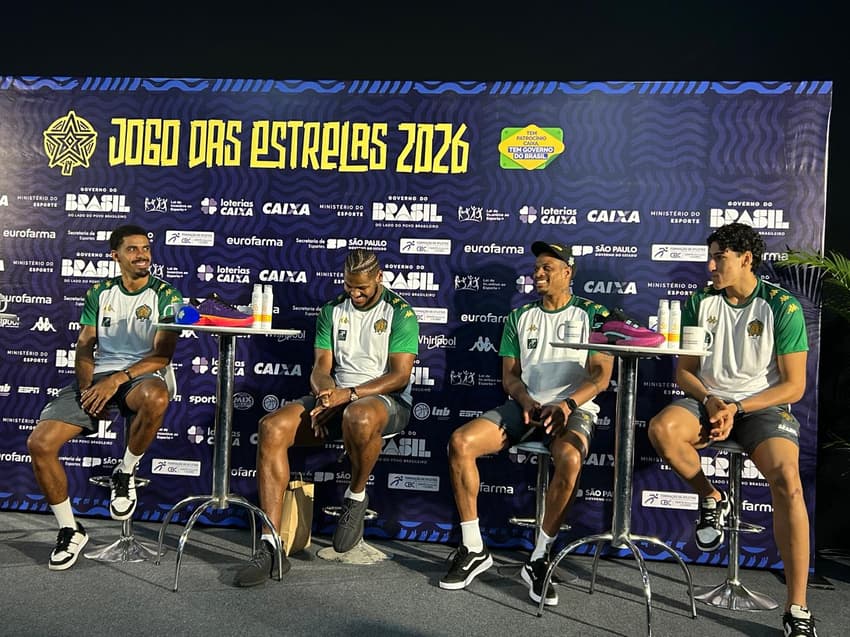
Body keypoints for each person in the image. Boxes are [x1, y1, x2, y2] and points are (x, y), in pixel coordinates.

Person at [647, 222, 817, 637]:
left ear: (746, 259)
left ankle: (797, 609)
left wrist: (737, 407)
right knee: (662, 430)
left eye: (719, 257)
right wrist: (711, 401)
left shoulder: (782, 306)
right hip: (708, 401)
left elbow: (793, 386)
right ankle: (711, 496)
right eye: (710, 257)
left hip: (761, 407)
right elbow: (685, 372)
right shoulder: (699, 302)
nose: (710, 266)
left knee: (789, 482)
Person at [439, 240, 614, 606]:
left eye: (547, 267)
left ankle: (540, 557)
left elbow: (600, 376)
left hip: (573, 409)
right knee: (460, 442)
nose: (538, 273)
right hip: (525, 407)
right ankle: (473, 548)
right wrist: (525, 400)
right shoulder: (519, 317)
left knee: (570, 458)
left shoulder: (594, 314)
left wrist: (565, 404)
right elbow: (510, 377)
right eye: (536, 268)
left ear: (567, 273)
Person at [235, 248, 420, 587]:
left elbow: (399, 376)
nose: (354, 293)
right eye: (349, 286)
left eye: (362, 288)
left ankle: (356, 496)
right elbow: (321, 367)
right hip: (338, 397)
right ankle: (270, 544)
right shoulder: (332, 310)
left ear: (379, 278)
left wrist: (347, 396)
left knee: (358, 416)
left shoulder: (401, 313)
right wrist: (325, 394)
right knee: (271, 427)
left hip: (386, 402)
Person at [27, 224, 182, 570]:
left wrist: (116, 381)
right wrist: (87, 391)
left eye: (145, 248)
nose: (142, 255)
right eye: (132, 249)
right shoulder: (99, 292)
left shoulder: (167, 295)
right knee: (40, 443)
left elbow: (162, 356)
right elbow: (85, 345)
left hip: (140, 376)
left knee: (157, 398)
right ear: (115, 256)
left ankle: (124, 472)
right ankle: (70, 529)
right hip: (98, 377)